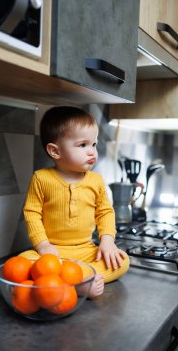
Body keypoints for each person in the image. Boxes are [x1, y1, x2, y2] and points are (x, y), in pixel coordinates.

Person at [22, 106, 129, 298]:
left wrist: (107, 241)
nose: (92, 152)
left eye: (94, 144)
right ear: (55, 151)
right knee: (23, 262)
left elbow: (105, 212)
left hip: (85, 250)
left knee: (122, 261)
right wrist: (43, 246)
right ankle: (77, 279)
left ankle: (83, 277)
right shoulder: (41, 178)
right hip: (52, 251)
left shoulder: (96, 180)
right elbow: (32, 214)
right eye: (83, 145)